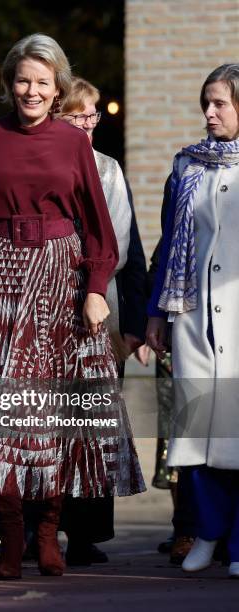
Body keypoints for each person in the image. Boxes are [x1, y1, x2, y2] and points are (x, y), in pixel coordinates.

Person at [0, 33, 145, 581]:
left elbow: (98, 223)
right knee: (1, 407)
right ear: (10, 84)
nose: (31, 90)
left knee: (56, 410)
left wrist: (96, 286)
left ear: (58, 90)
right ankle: (12, 534)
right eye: (23, 80)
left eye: (43, 83)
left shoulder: (74, 144)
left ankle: (50, 532)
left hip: (61, 276)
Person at [147, 63, 239, 578]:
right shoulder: (187, 166)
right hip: (193, 316)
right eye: (206, 101)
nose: (208, 112)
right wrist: (156, 312)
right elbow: (168, 247)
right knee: (197, 430)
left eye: (220, 103)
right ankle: (206, 533)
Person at [59, 76, 147, 565]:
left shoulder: (110, 170)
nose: (88, 125)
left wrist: (133, 321)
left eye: (93, 115)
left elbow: (130, 251)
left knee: (92, 425)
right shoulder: (42, 166)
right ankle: (35, 527)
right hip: (45, 313)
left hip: (101, 317)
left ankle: (86, 533)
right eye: (77, 115)